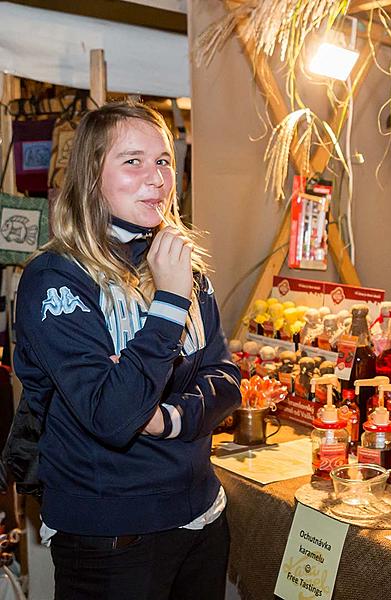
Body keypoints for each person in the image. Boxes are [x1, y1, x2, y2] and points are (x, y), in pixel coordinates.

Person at [11, 101, 241, 599]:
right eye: (132, 161)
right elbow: (113, 415)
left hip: (203, 514)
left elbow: (225, 379)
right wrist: (169, 302)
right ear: (92, 177)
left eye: (162, 160)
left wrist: (163, 418)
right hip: (112, 535)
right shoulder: (56, 278)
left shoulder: (182, 263)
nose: (156, 178)